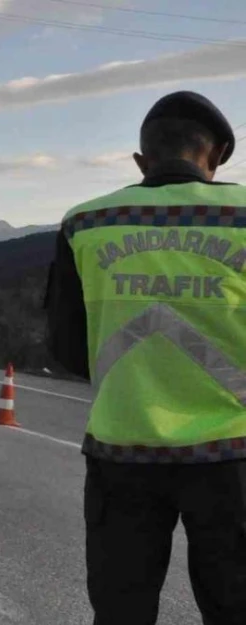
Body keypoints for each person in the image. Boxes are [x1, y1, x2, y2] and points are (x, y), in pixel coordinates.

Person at [44, 90, 246, 625]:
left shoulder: (86, 223)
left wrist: (131, 381)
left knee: (121, 611)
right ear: (219, 153)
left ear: (141, 161)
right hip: (234, 456)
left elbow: (66, 345)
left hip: (121, 450)